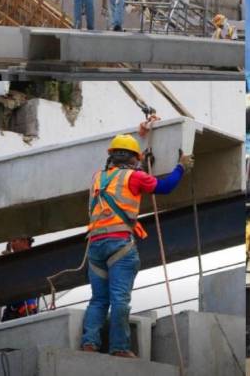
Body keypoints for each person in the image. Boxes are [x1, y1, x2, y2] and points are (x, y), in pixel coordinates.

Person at [80, 119, 194, 357]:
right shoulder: (135, 177)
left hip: (95, 246)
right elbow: (165, 187)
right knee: (120, 299)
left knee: (99, 300)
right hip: (119, 245)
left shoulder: (97, 178)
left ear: (111, 156)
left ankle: (89, 343)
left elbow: (123, 179)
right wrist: (181, 167)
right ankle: (119, 348)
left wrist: (140, 155)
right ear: (133, 158)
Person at [0, 236, 39, 321]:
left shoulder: (32, 258)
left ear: (24, 241)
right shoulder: (17, 259)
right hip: (13, 311)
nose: (12, 244)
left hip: (25, 310)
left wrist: (9, 261)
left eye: (14, 241)